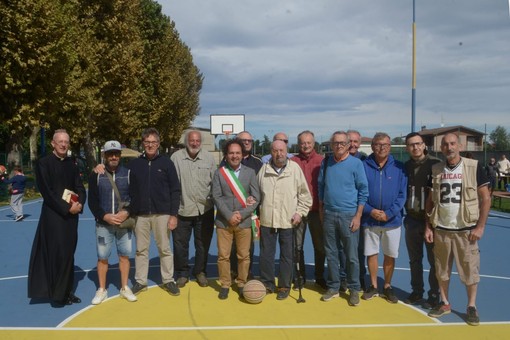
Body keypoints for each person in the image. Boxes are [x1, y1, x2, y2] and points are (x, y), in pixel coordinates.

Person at [425, 133, 491, 326]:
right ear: (442, 148)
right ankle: (444, 302)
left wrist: (480, 226)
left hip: (466, 230)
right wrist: (428, 225)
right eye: (445, 144)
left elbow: (485, 199)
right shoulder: (436, 169)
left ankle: (471, 306)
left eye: (453, 143)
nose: (449, 147)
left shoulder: (473, 167)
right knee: (442, 271)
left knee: (469, 270)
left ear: (459, 146)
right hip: (442, 229)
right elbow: (430, 200)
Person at [28, 129, 86, 306]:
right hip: (54, 217)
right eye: (60, 141)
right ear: (53, 143)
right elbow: (47, 192)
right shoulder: (43, 164)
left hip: (72, 217)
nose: (63, 144)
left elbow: (80, 187)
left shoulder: (72, 163)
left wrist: (80, 204)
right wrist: (68, 208)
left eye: (66, 141)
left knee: (69, 254)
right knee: (57, 254)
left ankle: (67, 291)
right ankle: (57, 295)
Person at [129, 128, 181, 297]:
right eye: (147, 142)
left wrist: (173, 215)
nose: (150, 145)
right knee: (141, 250)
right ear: (143, 143)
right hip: (141, 215)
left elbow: (175, 190)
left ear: (158, 144)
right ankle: (140, 281)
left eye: (153, 142)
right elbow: (128, 188)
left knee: (164, 249)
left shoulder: (166, 163)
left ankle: (168, 280)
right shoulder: (135, 164)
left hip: (162, 214)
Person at [318, 131, 368, 306]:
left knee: (351, 255)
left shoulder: (356, 164)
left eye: (342, 143)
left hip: (349, 215)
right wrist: (322, 210)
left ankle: (354, 288)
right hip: (330, 214)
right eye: (335, 143)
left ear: (348, 145)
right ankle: (333, 286)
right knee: (331, 253)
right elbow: (321, 187)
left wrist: (358, 216)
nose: (338, 146)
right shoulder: (327, 162)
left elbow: (363, 191)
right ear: (332, 145)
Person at [258, 140, 312, 300]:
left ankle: (284, 285)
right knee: (266, 255)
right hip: (268, 220)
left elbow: (305, 195)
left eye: (281, 150)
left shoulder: (295, 169)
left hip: (289, 221)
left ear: (286, 151)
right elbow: (256, 193)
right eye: (275, 150)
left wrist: (300, 213)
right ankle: (268, 283)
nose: (278, 154)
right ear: (271, 152)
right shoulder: (264, 169)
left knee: (287, 256)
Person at [88, 141, 137, 305]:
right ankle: (102, 289)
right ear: (105, 156)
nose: (114, 157)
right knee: (102, 257)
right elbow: (92, 202)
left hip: (124, 225)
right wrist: (104, 216)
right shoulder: (96, 174)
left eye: (116, 153)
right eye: (110, 154)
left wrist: (127, 212)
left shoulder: (129, 173)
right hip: (104, 224)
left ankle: (124, 287)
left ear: (120, 155)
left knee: (124, 255)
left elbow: (136, 198)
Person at [361, 132, 407, 303]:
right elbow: (359, 192)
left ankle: (387, 285)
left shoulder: (400, 168)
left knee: (390, 254)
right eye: (378, 145)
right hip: (370, 219)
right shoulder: (363, 166)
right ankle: (373, 285)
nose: (382, 148)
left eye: (385, 145)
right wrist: (370, 210)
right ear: (372, 146)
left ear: (390, 147)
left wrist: (389, 213)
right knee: (371, 253)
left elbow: (402, 195)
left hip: (392, 221)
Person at [212, 139, 260, 299]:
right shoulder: (220, 173)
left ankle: (241, 282)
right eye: (231, 153)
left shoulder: (250, 172)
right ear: (226, 155)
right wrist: (229, 215)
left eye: (237, 153)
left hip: (244, 221)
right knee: (223, 256)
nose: (234, 156)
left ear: (242, 154)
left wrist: (242, 214)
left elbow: (256, 197)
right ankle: (225, 284)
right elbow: (216, 197)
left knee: (243, 256)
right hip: (224, 222)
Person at [170, 130, 216, 288]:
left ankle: (200, 271)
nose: (194, 143)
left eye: (197, 140)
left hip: (205, 210)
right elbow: (171, 185)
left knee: (203, 243)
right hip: (182, 209)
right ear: (186, 141)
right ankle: (182, 273)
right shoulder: (176, 158)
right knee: (180, 244)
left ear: (201, 142)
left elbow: (215, 183)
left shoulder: (209, 158)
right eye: (192, 140)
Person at [403, 132, 440, 309]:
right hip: (411, 219)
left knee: (434, 261)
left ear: (424, 145)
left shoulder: (436, 165)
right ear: (407, 148)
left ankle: (434, 294)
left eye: (418, 144)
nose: (415, 147)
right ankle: (417, 291)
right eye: (411, 145)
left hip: (432, 223)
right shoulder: (406, 166)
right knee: (414, 259)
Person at [221, 131, 263, 278]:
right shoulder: (225, 163)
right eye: (243, 140)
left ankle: (246, 273)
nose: (247, 143)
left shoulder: (258, 163)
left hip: (249, 214)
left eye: (249, 140)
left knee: (247, 248)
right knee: (231, 247)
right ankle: (232, 272)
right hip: (230, 214)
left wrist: (252, 199)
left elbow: (260, 187)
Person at [291, 130, 327, 290]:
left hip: (316, 211)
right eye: (302, 143)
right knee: (296, 246)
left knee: (320, 246)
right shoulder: (292, 162)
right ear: (299, 144)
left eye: (308, 142)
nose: (305, 145)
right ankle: (300, 277)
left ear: (314, 143)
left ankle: (319, 276)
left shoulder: (322, 161)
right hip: (298, 211)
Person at [347, 129, 368, 290]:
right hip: (343, 211)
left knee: (358, 249)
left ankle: (359, 279)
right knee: (341, 249)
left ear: (359, 143)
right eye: (350, 141)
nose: (353, 144)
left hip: (360, 212)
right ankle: (343, 279)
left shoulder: (365, 161)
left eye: (355, 141)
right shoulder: (335, 160)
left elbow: (364, 188)